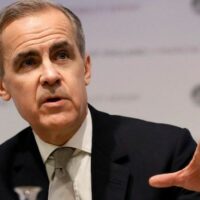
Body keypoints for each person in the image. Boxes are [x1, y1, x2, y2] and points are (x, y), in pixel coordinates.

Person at [0, 0, 199, 199]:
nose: (50, 75)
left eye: (61, 55)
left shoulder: (167, 153)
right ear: (3, 87)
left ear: (86, 69)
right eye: (28, 62)